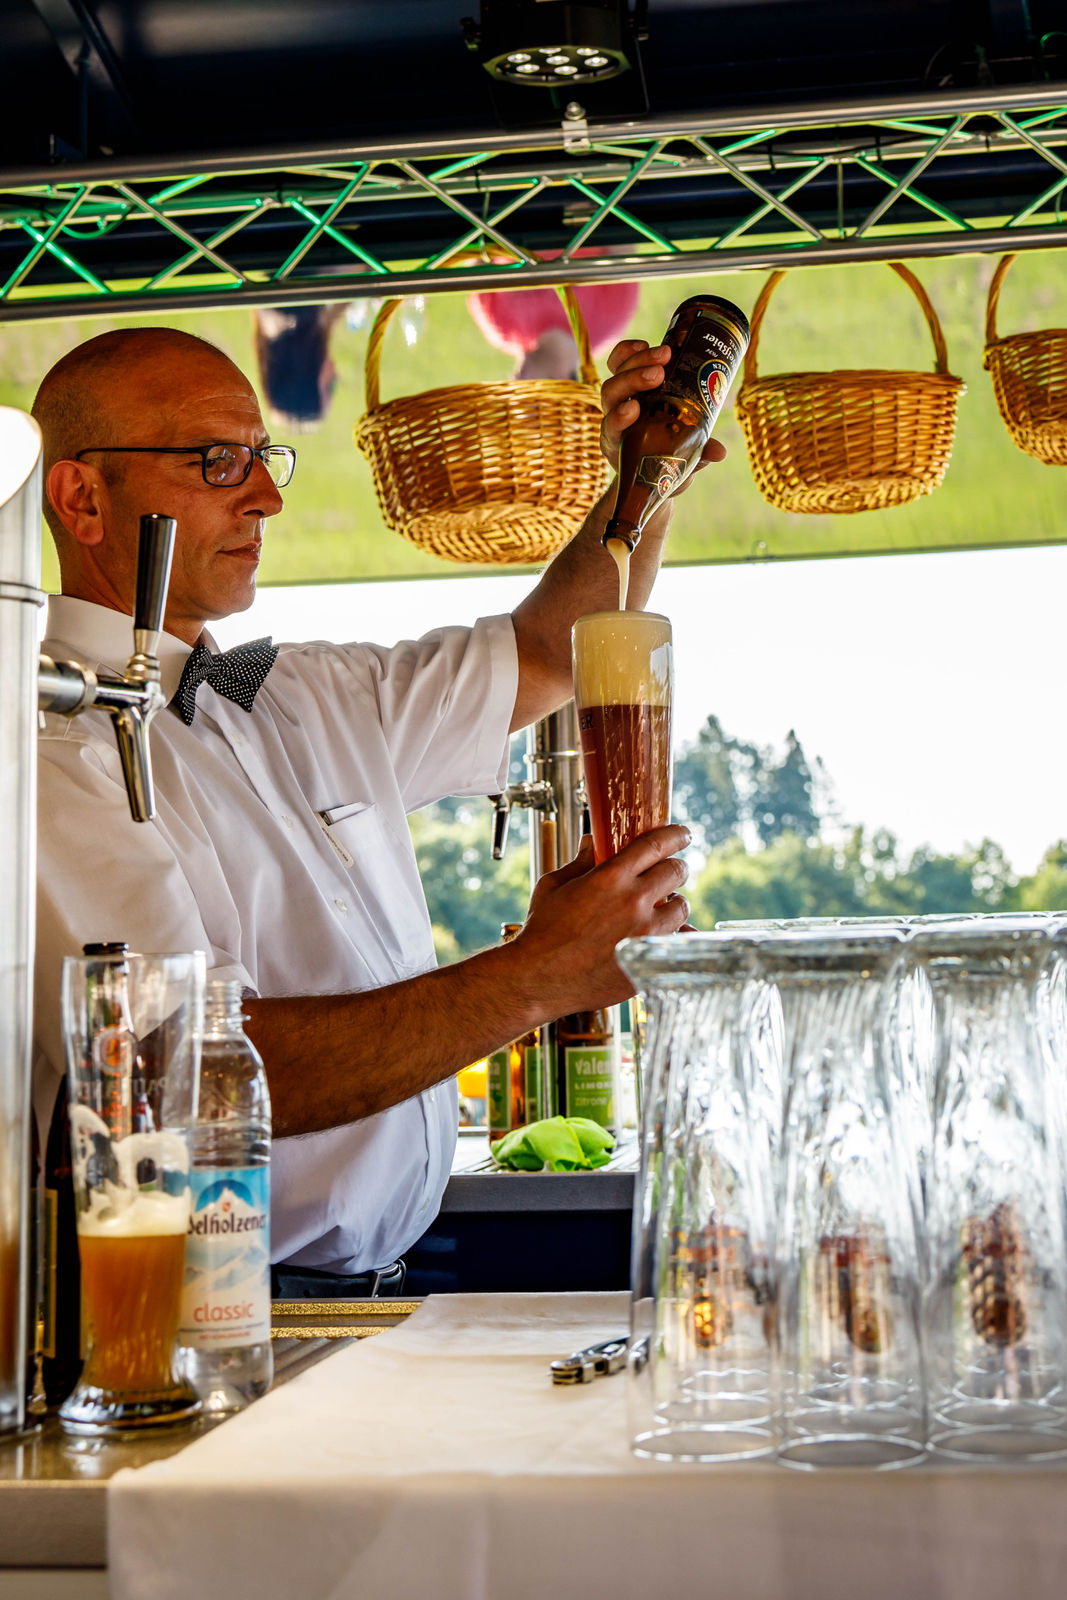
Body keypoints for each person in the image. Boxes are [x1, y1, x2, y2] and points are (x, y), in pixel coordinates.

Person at [31, 323, 724, 1294]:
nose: (266, 494)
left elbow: (543, 656)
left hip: (383, 1285)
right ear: (81, 497)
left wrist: (646, 482)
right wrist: (532, 976)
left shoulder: (300, 693)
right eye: (216, 460)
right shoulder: (47, 751)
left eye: (262, 457)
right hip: (206, 1302)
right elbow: (185, 1073)